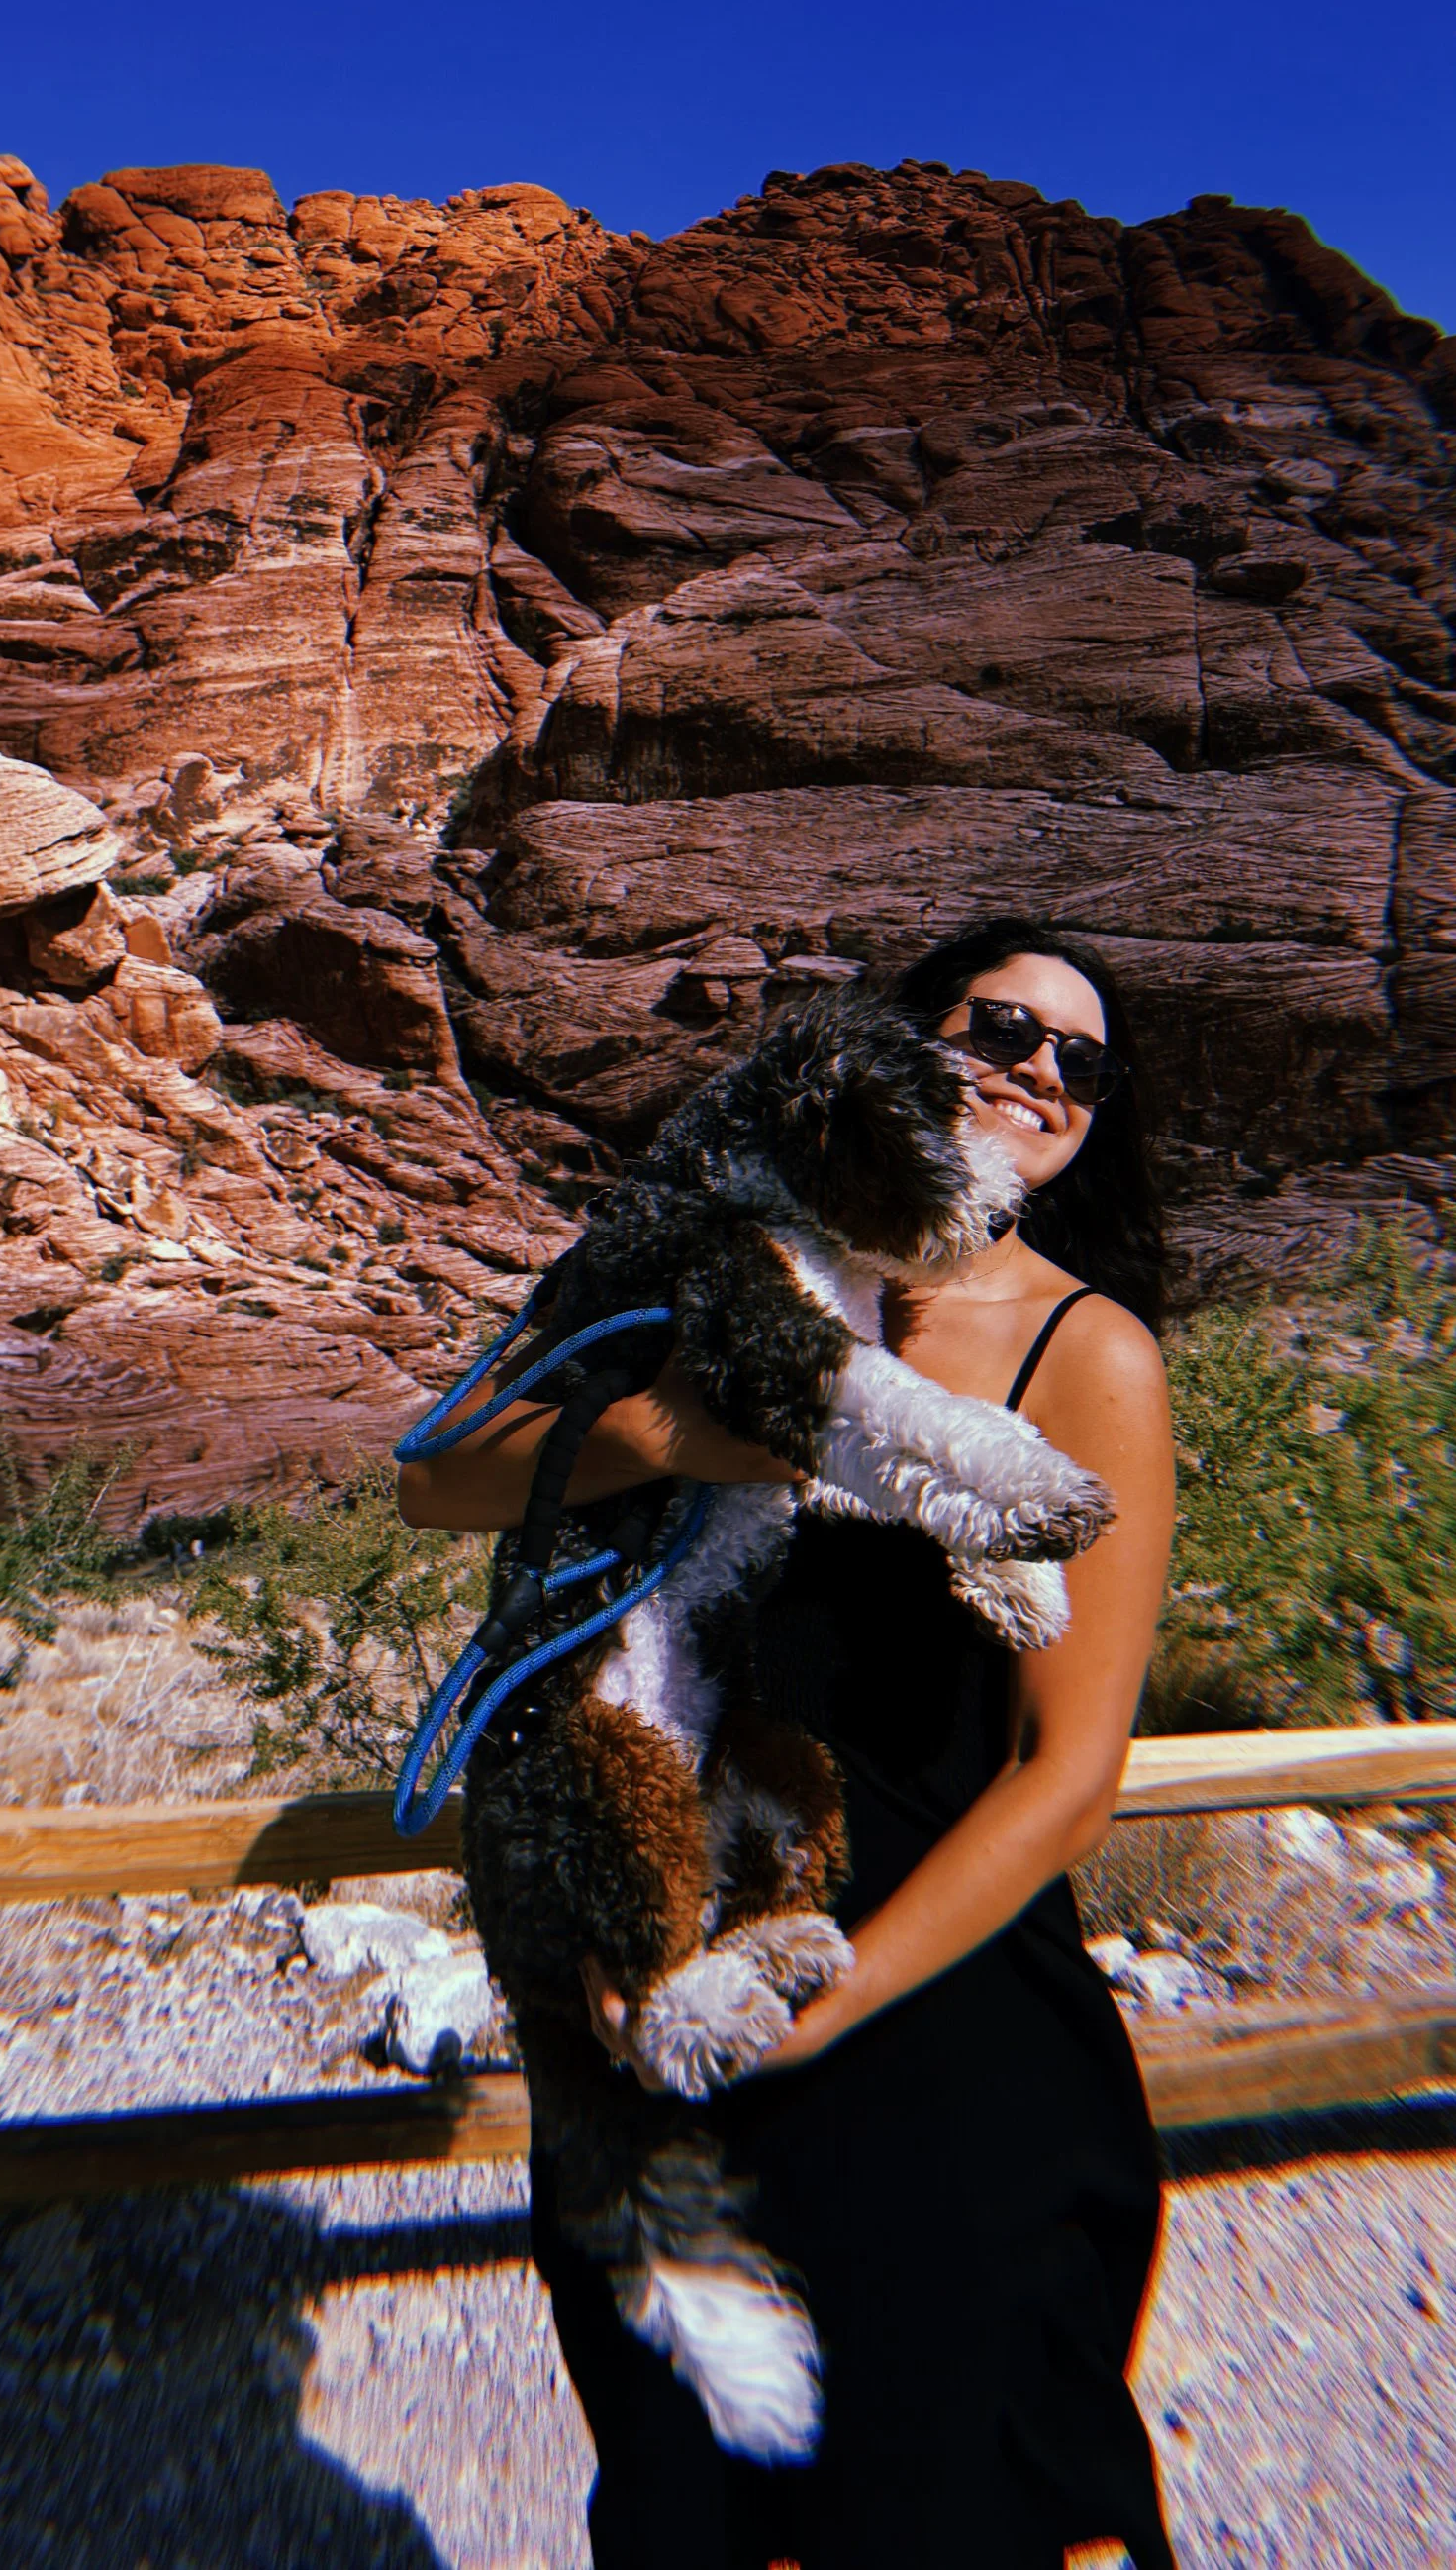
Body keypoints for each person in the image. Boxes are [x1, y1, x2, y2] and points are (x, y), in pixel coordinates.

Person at [398, 919, 1178, 2570]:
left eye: (1081, 1064)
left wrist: (842, 2003)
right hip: (660, 1989)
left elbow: (1072, 1771)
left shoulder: (1084, 1355)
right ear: (896, 1047)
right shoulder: (709, 1273)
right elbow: (440, 1476)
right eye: (1002, 1025)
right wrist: (688, 1426)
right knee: (687, 2506)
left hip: (926, 2018)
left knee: (935, 2510)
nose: (1040, 1070)